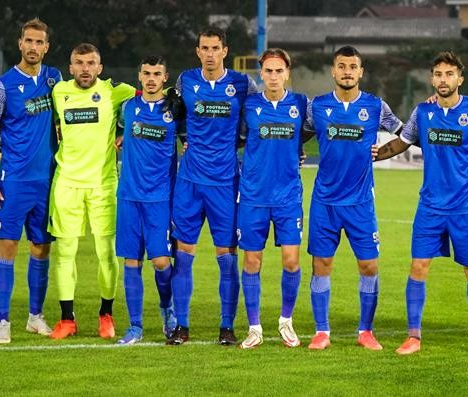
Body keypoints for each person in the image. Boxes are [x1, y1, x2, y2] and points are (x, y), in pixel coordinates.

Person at [372, 51, 468, 355]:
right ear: (432, 78)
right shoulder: (423, 112)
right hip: (430, 207)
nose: (443, 79)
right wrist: (378, 153)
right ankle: (413, 336)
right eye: (438, 74)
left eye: (449, 74)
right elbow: (404, 141)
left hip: (466, 207)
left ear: (460, 79)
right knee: (418, 266)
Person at [302, 45, 403, 351]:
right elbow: (297, 134)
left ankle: (366, 331)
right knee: (321, 264)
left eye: (353, 67)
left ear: (361, 72)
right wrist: (296, 150)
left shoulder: (376, 106)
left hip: (360, 202)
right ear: (333, 71)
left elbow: (406, 133)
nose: (347, 71)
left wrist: (381, 152)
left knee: (369, 266)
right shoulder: (316, 107)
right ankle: (321, 331)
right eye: (341, 66)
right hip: (325, 201)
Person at [167, 27, 258, 346]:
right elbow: (174, 118)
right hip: (190, 181)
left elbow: (257, 118)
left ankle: (226, 327)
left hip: (225, 182)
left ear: (225, 51)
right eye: (204, 48)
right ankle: (182, 326)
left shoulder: (243, 83)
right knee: (184, 254)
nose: (209, 53)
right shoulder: (185, 81)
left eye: (215, 48)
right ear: (197, 51)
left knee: (227, 256)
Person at [0, 18, 60, 344]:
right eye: (29, 41)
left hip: (47, 182)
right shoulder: (3, 85)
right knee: (8, 246)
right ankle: (2, 322)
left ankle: (35, 317)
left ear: (47, 46)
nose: (34, 47)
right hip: (13, 181)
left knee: (41, 248)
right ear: (20, 43)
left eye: (39, 42)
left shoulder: (55, 79)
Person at [48, 43, 137, 340]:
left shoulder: (116, 91)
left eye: (91, 63)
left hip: (103, 184)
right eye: (79, 63)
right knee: (64, 251)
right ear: (70, 67)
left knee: (106, 252)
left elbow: (149, 100)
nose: (85, 68)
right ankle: (66, 318)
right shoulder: (59, 92)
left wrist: (124, 131)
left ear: (100, 68)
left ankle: (106, 314)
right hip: (67, 183)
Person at [235, 48, 307, 349]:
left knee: (291, 261)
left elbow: (322, 128)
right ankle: (254, 327)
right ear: (261, 74)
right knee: (252, 260)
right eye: (268, 71)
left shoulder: (302, 104)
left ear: (287, 73)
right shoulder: (249, 105)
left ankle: (285, 321)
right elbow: (236, 138)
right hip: (253, 196)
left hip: (288, 196)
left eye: (279, 71)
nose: (274, 76)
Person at [113, 55, 183, 345]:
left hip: (160, 198)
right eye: (146, 73)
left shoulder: (175, 110)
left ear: (165, 77)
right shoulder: (127, 108)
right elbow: (112, 130)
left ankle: (167, 309)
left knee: (161, 262)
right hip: (129, 196)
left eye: (157, 73)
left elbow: (195, 138)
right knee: (131, 262)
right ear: (139, 77)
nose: (151, 78)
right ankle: (135, 327)